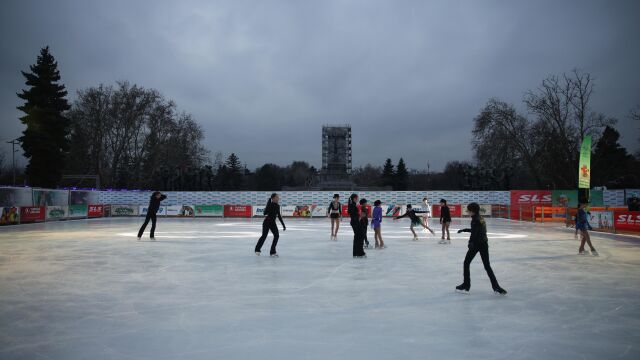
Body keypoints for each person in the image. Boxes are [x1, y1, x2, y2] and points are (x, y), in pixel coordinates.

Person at [456, 203, 507, 295]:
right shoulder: (481, 218)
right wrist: (464, 230)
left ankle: (466, 285)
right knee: (487, 266)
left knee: (466, 263)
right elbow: (476, 230)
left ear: (472, 211)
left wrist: (470, 243)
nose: (467, 212)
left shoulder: (475, 220)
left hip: (477, 244)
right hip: (484, 244)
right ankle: (496, 287)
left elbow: (474, 234)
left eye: (468, 210)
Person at [255, 193, 286, 257]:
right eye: (277, 197)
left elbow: (279, 216)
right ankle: (257, 249)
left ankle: (272, 251)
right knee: (264, 236)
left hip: (272, 223)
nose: (278, 198)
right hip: (267, 222)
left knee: (276, 235)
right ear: (273, 198)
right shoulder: (270, 204)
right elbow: (264, 213)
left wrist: (283, 225)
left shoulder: (277, 206)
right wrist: (268, 204)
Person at [348, 194, 366, 258]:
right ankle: (359, 253)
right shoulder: (352, 205)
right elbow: (353, 214)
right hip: (355, 223)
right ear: (354, 198)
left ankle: (357, 253)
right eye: (357, 198)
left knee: (358, 237)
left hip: (355, 222)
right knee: (359, 237)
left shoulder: (353, 205)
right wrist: (360, 216)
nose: (358, 199)